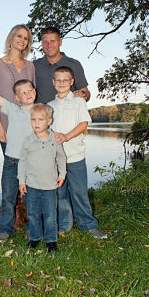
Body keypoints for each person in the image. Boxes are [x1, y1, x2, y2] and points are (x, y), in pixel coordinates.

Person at [0, 62, 36, 243]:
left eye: (30, 90)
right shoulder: (13, 108)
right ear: (17, 98)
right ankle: (5, 229)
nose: (27, 94)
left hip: (33, 162)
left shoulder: (43, 110)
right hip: (12, 161)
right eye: (22, 93)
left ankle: (32, 228)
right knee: (8, 197)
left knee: (32, 198)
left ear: (35, 91)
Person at [49, 66, 107, 239]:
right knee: (60, 194)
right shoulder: (48, 106)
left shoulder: (78, 101)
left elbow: (83, 125)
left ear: (71, 82)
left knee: (79, 192)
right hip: (56, 160)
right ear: (53, 82)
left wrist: (66, 136)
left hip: (75, 156)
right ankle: (65, 224)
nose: (61, 83)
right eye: (58, 80)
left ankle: (88, 224)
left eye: (65, 80)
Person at [0, 24, 35, 228]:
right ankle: (14, 213)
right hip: (8, 126)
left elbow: (32, 96)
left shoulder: (30, 66)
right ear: (11, 38)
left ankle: (28, 212)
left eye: (26, 38)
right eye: (19, 36)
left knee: (30, 169)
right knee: (11, 171)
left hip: (29, 128)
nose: (22, 40)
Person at [18, 103, 66, 253]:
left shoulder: (55, 139)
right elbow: (23, 161)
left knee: (51, 215)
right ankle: (35, 237)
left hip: (50, 186)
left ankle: (51, 241)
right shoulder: (28, 140)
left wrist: (62, 175)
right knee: (33, 214)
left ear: (49, 121)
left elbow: (61, 158)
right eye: (33, 119)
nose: (36, 123)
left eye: (40, 120)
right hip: (31, 185)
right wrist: (21, 181)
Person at [33, 26, 90, 103]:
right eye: (45, 42)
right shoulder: (34, 66)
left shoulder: (74, 65)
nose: (49, 45)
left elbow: (86, 93)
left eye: (53, 41)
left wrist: (83, 95)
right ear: (42, 44)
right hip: (41, 114)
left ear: (60, 42)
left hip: (68, 114)